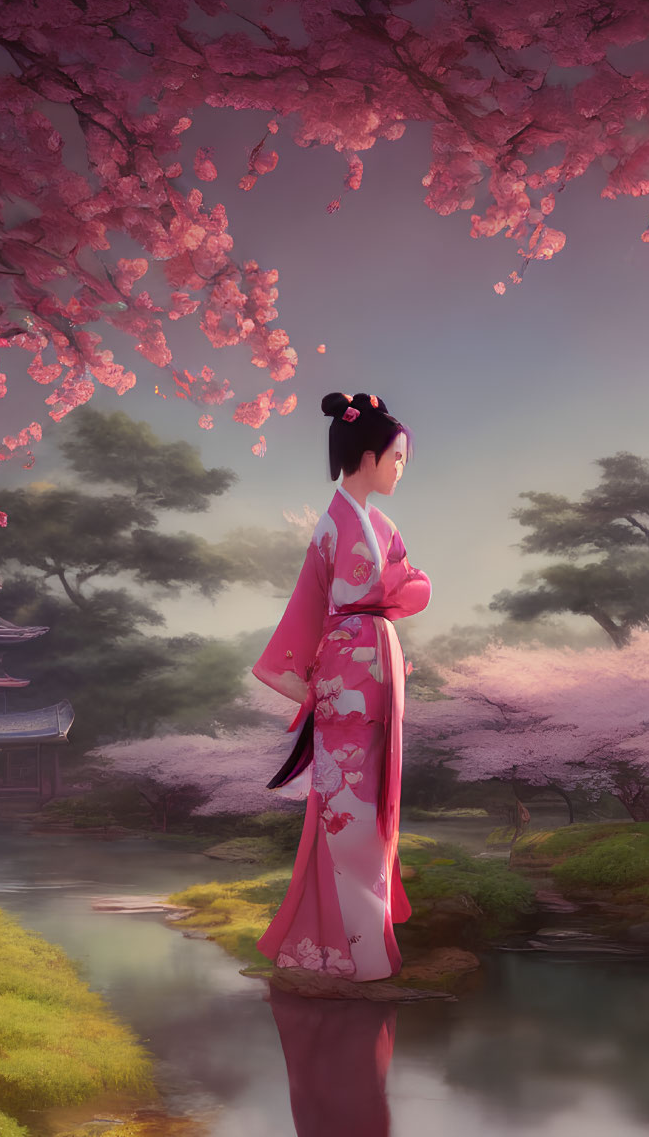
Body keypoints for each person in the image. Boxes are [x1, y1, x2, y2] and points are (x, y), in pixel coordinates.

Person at [251, 392, 431, 981]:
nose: (402, 469)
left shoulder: (375, 522)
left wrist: (398, 586)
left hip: (369, 669)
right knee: (350, 811)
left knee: (371, 808)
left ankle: (358, 948)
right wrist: (397, 585)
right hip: (349, 677)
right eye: (398, 458)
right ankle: (357, 953)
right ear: (368, 455)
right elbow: (395, 583)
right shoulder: (339, 526)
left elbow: (407, 584)